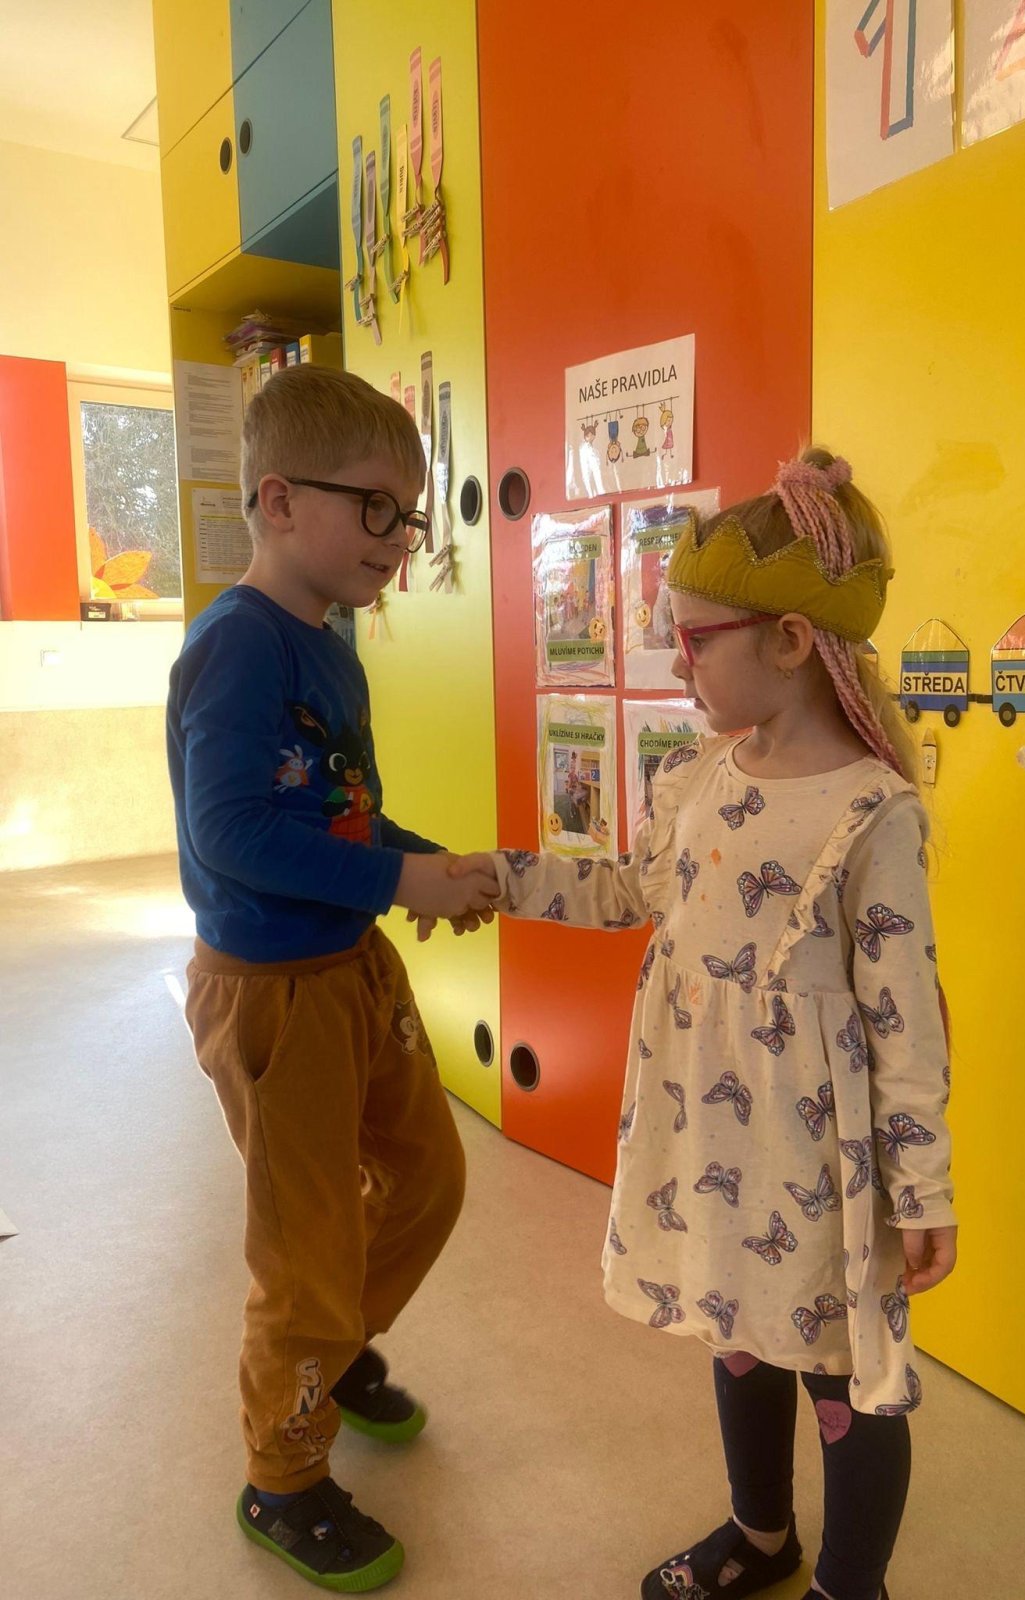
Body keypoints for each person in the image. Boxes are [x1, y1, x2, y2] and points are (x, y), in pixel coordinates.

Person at [456, 452, 956, 1600]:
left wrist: (924, 1188)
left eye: (694, 639)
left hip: (822, 1155)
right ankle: (761, 1533)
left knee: (843, 1375)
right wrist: (492, 875)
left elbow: (905, 1021)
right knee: (734, 1327)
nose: (675, 660)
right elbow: (625, 892)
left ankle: (850, 1586)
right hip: (710, 1128)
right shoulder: (694, 779)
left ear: (791, 640)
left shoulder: (872, 811)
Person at [166, 365, 498, 1591]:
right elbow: (232, 835)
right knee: (305, 1247)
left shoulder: (332, 646)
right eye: (375, 509)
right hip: (275, 992)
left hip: (355, 966)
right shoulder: (236, 648)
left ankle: (340, 1344)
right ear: (278, 500)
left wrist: (424, 863)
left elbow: (339, 814)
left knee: (428, 1176)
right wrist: (398, 881)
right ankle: (284, 1474)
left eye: (409, 515)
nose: (400, 540)